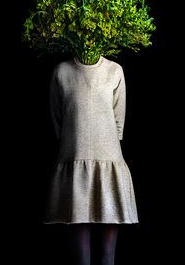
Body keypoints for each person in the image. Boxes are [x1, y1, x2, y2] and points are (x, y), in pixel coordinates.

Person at [44, 54, 138, 265]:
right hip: (74, 158)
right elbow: (57, 120)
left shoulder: (115, 70)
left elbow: (118, 123)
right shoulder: (62, 71)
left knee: (107, 256)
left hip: (109, 160)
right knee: (80, 258)